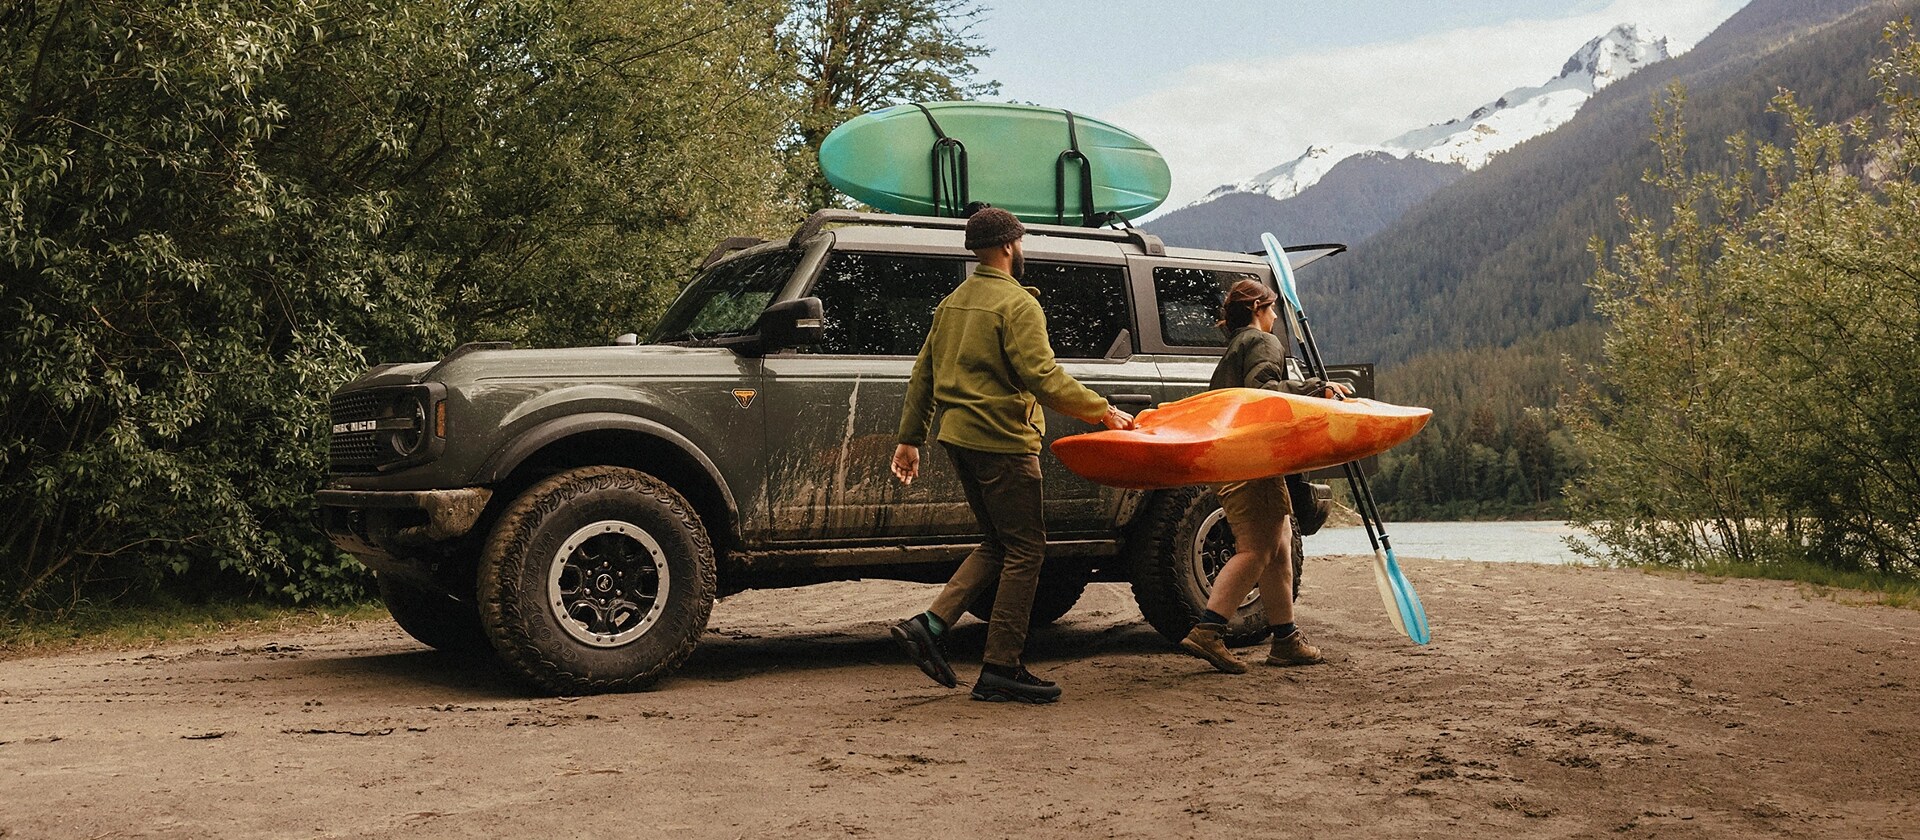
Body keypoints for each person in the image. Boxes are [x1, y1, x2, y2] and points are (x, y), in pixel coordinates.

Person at [887, 206, 1134, 704]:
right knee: (1026, 550)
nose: (1022, 250)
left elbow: (923, 376)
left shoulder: (953, 303)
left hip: (959, 439)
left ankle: (931, 625)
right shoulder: (1018, 304)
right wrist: (1103, 411)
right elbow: (1043, 377)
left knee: (1002, 541)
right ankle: (1001, 665)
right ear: (1008, 246)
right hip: (1003, 441)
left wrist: (910, 438)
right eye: (1020, 242)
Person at [1179, 278, 1347, 673]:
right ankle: (1209, 629)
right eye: (1271, 309)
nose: (1274, 317)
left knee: (1280, 543)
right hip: (1252, 460)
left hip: (1235, 460)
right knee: (1257, 548)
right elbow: (1264, 391)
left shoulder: (1234, 347)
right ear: (1258, 308)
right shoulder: (1262, 342)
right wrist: (1315, 389)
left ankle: (1285, 638)